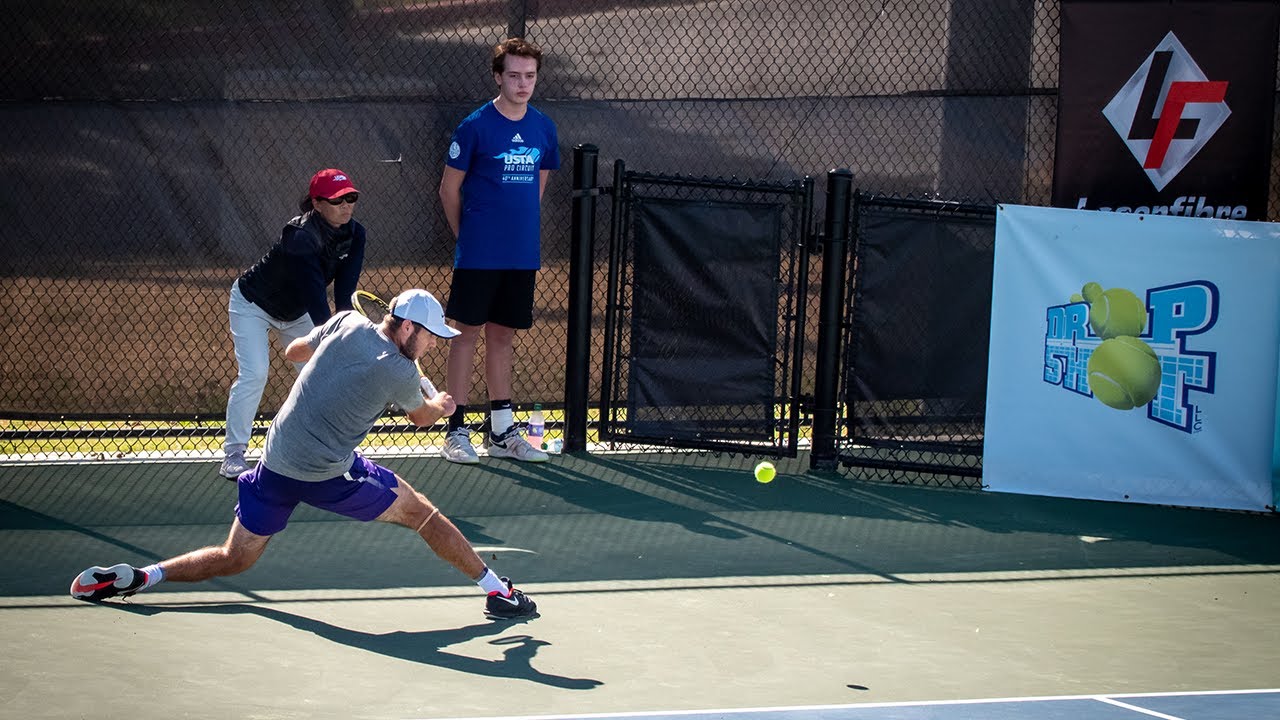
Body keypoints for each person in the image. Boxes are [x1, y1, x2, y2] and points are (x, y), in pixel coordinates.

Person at [72, 289, 539, 621]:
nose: (435, 343)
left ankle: (139, 577)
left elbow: (296, 350)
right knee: (424, 515)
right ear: (408, 327)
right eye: (430, 334)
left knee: (235, 557)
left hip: (276, 459)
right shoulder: (398, 371)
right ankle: (500, 593)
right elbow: (423, 419)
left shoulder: (348, 322)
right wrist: (442, 404)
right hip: (324, 473)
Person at [436, 36, 560, 465]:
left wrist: (513, 231)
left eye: (530, 76)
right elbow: (449, 189)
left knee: (502, 336)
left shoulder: (544, 128)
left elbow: (538, 186)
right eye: (514, 76)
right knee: (464, 335)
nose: (523, 84)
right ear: (498, 76)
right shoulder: (474, 126)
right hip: (478, 254)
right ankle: (455, 431)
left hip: (520, 254)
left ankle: (502, 432)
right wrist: (466, 237)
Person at [220, 168, 367, 479]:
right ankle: (233, 453)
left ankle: (334, 450)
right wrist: (334, 342)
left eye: (351, 197)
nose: (347, 205)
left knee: (319, 376)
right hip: (253, 304)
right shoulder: (299, 237)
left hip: (295, 311)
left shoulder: (357, 234)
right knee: (255, 373)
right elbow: (315, 296)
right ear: (317, 203)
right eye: (338, 199)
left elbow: (344, 294)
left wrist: (347, 334)